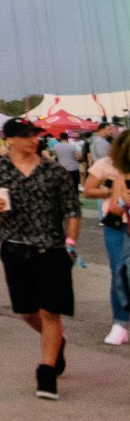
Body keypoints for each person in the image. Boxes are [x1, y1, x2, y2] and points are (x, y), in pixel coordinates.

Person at [0, 118, 83, 399]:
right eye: (25, 135)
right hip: (14, 247)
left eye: (35, 134)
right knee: (27, 311)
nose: (32, 139)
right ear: (9, 139)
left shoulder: (54, 171)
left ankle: (46, 373)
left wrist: (70, 244)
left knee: (51, 310)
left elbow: (72, 210)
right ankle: (57, 342)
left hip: (52, 248)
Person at [82, 128, 129, 345]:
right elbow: (89, 190)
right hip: (118, 226)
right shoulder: (108, 165)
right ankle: (121, 323)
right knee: (119, 272)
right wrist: (111, 192)